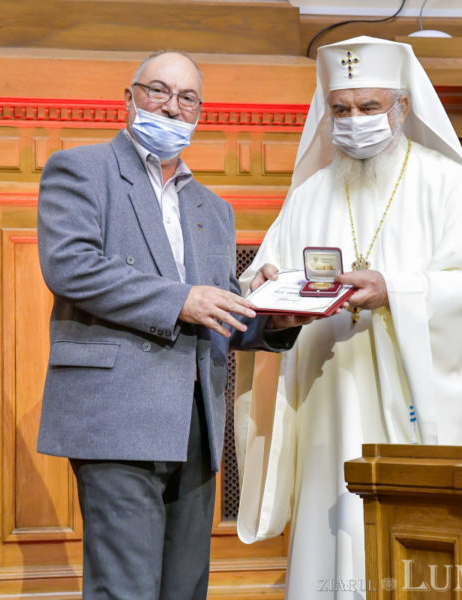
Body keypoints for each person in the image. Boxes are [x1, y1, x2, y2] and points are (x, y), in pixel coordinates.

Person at [235, 36, 462, 599]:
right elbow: (262, 278)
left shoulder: (448, 184)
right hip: (327, 397)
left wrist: (393, 291)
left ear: (401, 108)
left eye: (369, 107)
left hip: (406, 399)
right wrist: (270, 299)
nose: (354, 121)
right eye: (341, 109)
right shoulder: (310, 193)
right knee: (328, 526)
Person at [36, 50, 306, 600]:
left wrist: (272, 313)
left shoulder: (213, 207)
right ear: (129, 98)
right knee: (125, 589)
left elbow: (216, 309)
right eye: (158, 90)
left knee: (185, 589)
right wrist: (182, 300)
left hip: (196, 420)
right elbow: (70, 266)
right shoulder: (81, 169)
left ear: (199, 113)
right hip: (116, 415)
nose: (171, 106)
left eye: (187, 98)